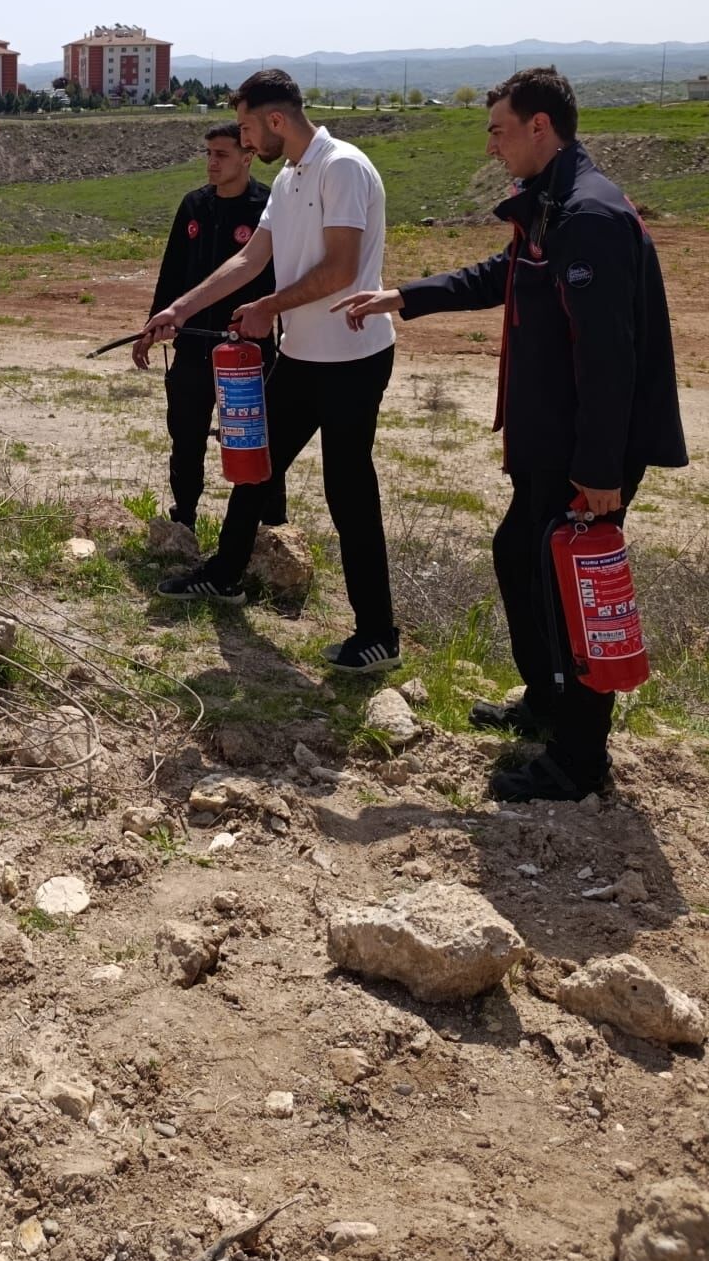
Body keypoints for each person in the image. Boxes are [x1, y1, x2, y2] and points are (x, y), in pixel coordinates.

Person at [333, 66, 688, 802]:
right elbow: (508, 272)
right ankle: (547, 702)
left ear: (539, 127)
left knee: (569, 588)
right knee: (519, 555)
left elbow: (609, 360)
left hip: (585, 448)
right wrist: (409, 296)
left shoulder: (590, 216)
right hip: (549, 440)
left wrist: (599, 472)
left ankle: (579, 760)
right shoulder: (552, 207)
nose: (491, 146)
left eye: (498, 130)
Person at [137, 71, 401, 673]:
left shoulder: (343, 168)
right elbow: (252, 257)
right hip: (305, 356)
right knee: (254, 463)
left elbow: (341, 269)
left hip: (354, 358)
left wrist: (268, 308)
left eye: (250, 126)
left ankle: (378, 633)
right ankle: (226, 576)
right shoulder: (291, 177)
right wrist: (181, 308)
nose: (246, 141)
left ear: (276, 120)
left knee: (349, 489)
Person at [135, 120, 287, 531]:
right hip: (191, 350)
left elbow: (282, 279)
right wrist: (152, 326)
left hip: (247, 352)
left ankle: (270, 528)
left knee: (256, 441)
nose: (212, 163)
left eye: (221, 154)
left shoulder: (268, 208)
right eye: (208, 154)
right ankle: (182, 518)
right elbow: (172, 274)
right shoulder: (194, 206)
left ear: (247, 156)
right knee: (185, 439)